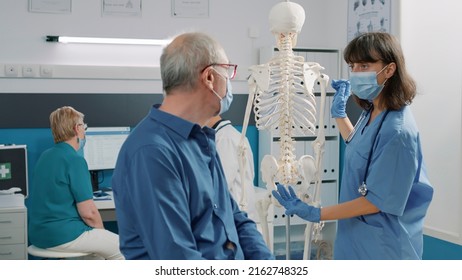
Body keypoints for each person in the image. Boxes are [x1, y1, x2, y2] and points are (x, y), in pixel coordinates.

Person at [111, 32, 274, 260]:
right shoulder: (152, 152)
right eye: (227, 71)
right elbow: (179, 258)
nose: (230, 80)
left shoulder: (202, 139)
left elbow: (234, 217)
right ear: (209, 77)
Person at [272, 32, 433, 260]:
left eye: (364, 65)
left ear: (389, 69)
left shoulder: (398, 133)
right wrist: (340, 114)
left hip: (383, 247)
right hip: (356, 237)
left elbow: (375, 201)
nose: (356, 73)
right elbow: (360, 147)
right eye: (353, 66)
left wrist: (317, 214)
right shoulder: (373, 111)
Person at [27, 106, 124, 260]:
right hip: (62, 235)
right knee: (121, 248)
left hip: (38, 235)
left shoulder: (46, 156)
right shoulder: (75, 160)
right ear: (77, 129)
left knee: (96, 256)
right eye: (84, 126)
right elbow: (89, 214)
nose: (84, 131)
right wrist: (102, 234)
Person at [206, 115, 259, 224]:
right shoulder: (226, 135)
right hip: (236, 217)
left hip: (235, 218)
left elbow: (219, 184)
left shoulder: (225, 139)